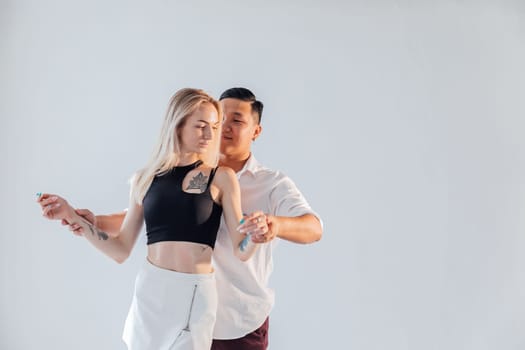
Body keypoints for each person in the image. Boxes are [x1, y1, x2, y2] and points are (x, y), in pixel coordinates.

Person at [51, 87, 323, 349]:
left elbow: (309, 228)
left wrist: (269, 228)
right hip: (153, 293)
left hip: (229, 313)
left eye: (232, 122)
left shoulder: (249, 181)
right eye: (210, 123)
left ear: (256, 130)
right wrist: (83, 220)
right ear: (178, 124)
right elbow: (140, 230)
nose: (217, 131)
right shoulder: (147, 178)